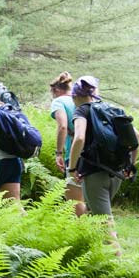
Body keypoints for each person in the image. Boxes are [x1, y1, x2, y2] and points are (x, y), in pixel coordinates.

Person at [66, 76, 138, 254]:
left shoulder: (82, 111)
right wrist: (130, 165)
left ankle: (118, 264)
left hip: (94, 174)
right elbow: (136, 136)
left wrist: (72, 168)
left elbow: (79, 138)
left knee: (104, 223)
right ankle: (92, 258)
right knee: (93, 215)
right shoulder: (112, 109)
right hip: (116, 172)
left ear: (75, 97)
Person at [50, 72, 85, 216]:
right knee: (90, 198)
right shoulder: (82, 99)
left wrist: (59, 153)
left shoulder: (59, 102)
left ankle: (82, 227)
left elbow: (63, 126)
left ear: (57, 90)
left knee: (74, 201)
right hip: (93, 153)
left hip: (74, 153)